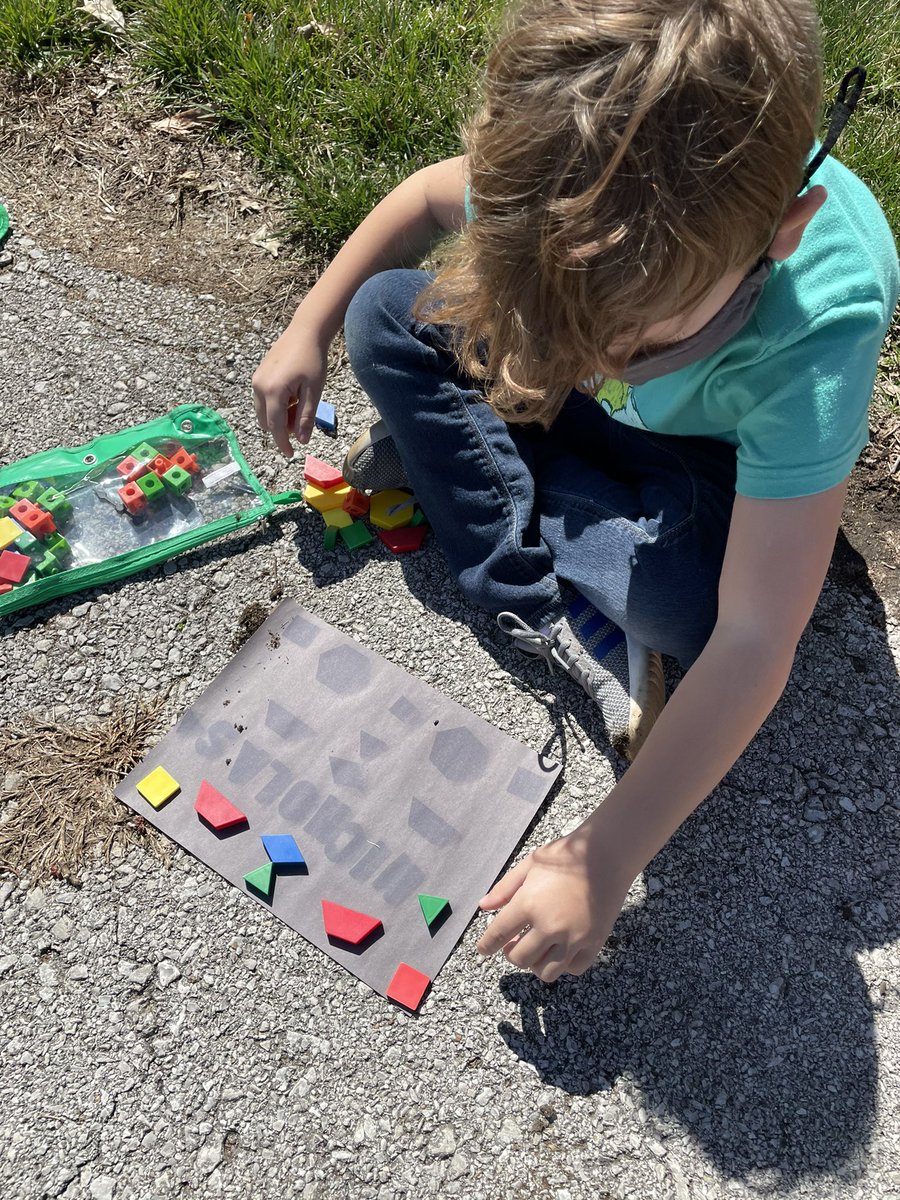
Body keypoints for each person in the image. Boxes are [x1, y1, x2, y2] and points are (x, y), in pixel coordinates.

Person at [252, 0, 899, 984]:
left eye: (638, 335)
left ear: (786, 233)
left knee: (691, 607)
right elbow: (425, 202)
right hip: (601, 418)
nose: (594, 358)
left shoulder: (821, 327)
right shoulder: (576, 179)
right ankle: (534, 572)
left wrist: (604, 858)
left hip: (709, 473)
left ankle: (481, 477)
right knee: (386, 315)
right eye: (561, 304)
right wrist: (308, 325)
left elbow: (760, 639)